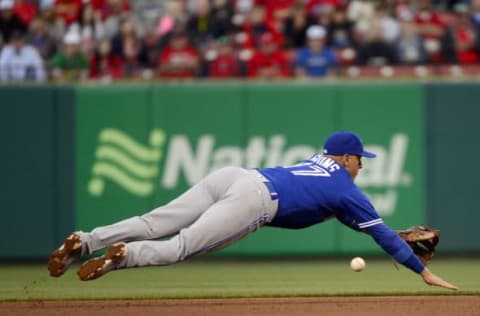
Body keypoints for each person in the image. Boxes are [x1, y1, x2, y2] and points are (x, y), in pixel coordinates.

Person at [48, 130, 459, 291]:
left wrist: (389, 234)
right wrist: (422, 272)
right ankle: (123, 256)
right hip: (256, 201)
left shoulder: (318, 164)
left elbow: (356, 221)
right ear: (346, 158)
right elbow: (378, 232)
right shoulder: (347, 188)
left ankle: (87, 240)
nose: (362, 165)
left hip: (235, 176)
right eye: (359, 158)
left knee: (152, 221)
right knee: (179, 248)